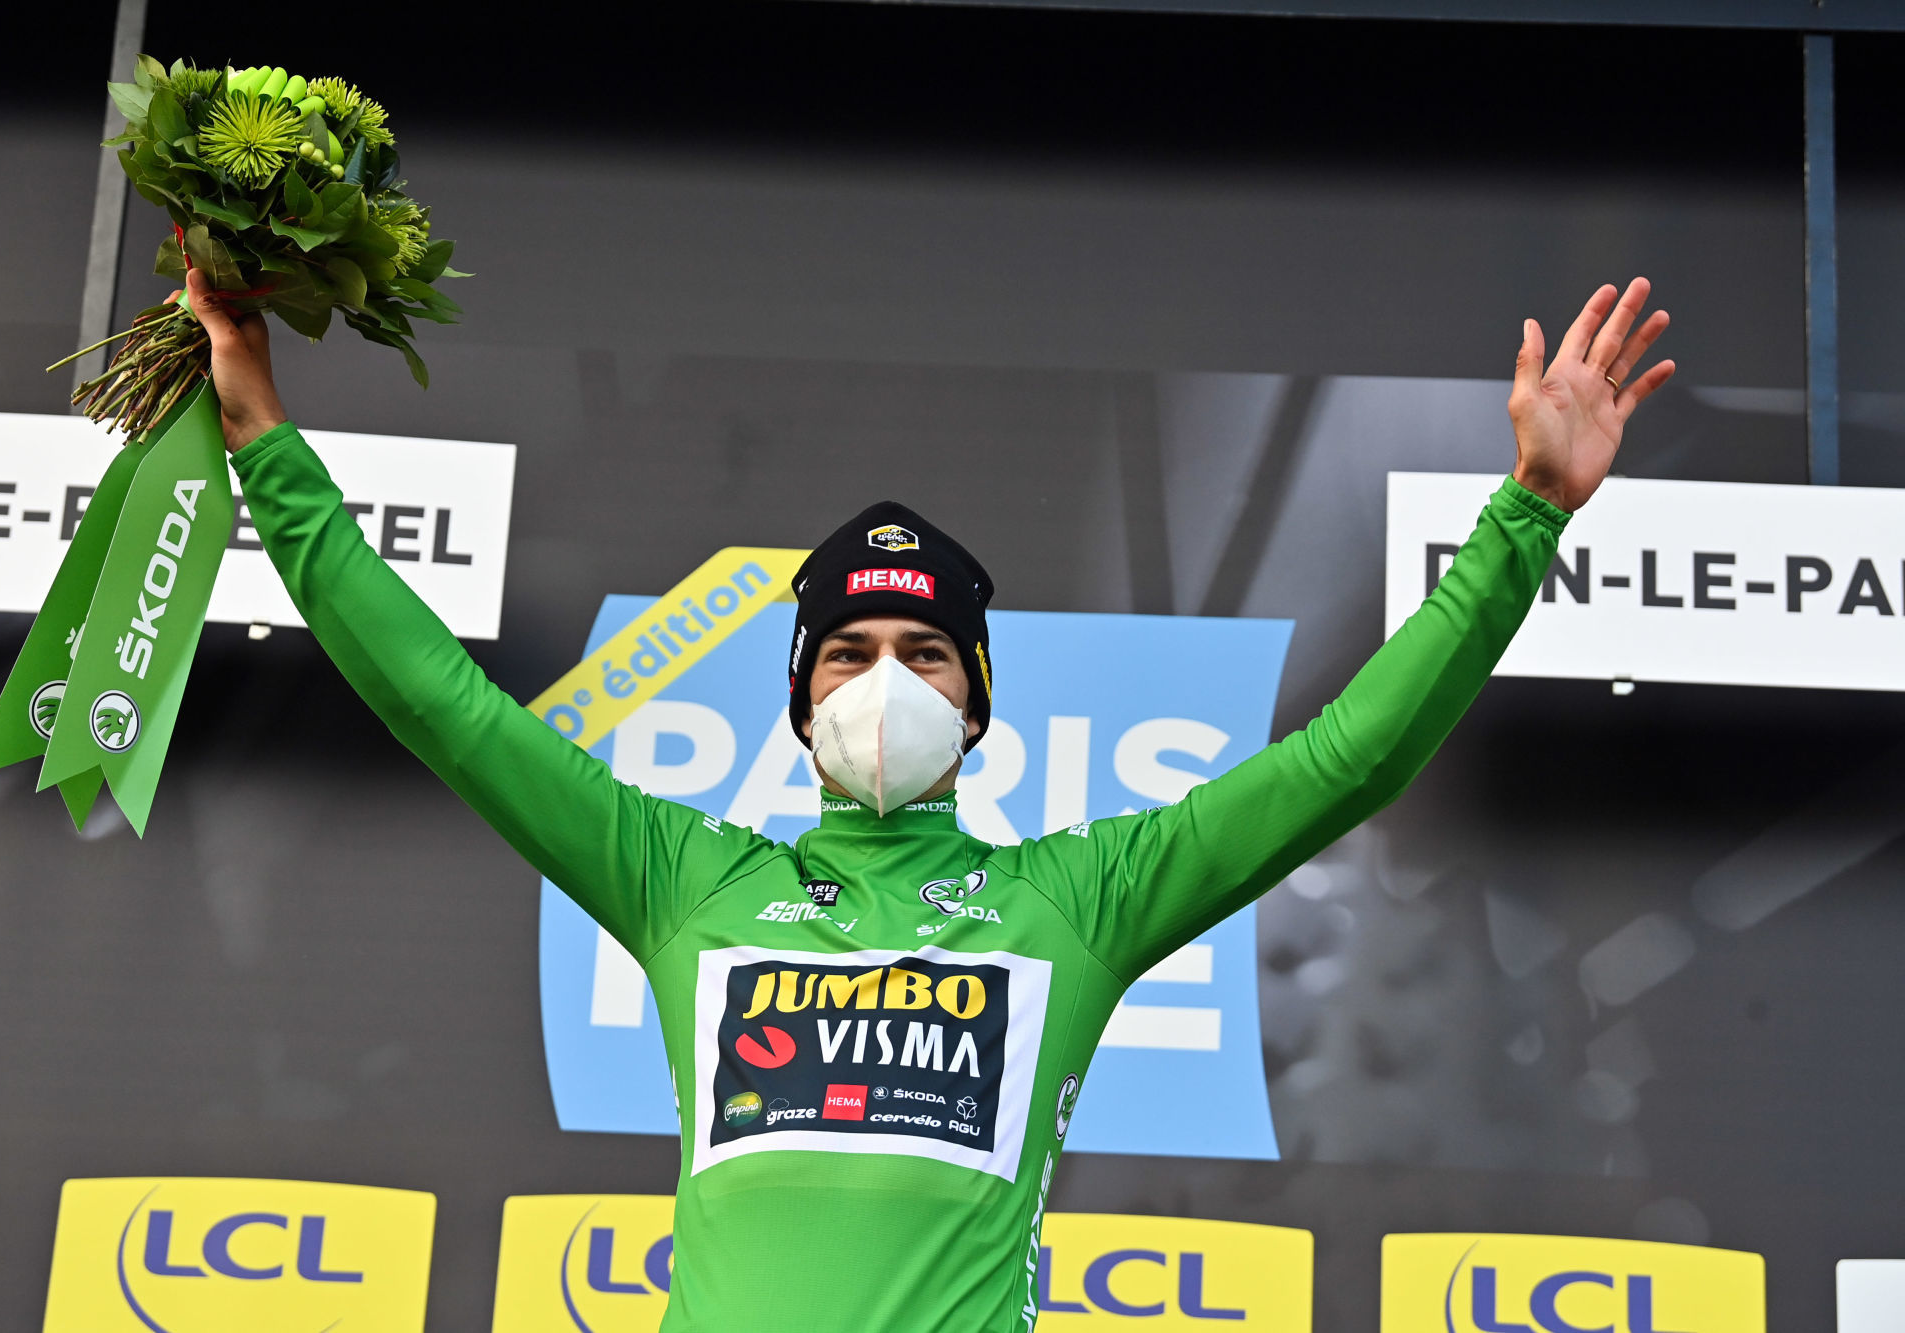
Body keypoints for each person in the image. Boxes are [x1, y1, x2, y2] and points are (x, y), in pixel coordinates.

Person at [183, 265, 1671, 1330]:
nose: (882, 678)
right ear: (798, 702)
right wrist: (262, 441)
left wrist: (1527, 512)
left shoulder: (1073, 900)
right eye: (847, 651)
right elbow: (440, 705)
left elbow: (1350, 760)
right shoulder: (687, 878)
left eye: (923, 652)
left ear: (975, 704)